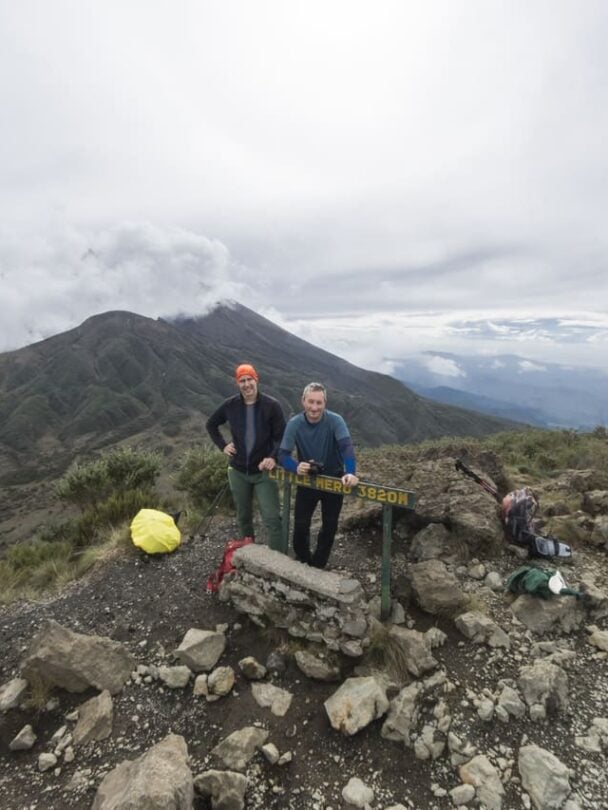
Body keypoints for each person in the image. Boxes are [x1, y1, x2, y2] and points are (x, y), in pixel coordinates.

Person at [278, 382, 359, 568]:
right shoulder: (294, 424)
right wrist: (295, 466)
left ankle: (319, 565)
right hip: (308, 480)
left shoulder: (335, 420)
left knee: (329, 526)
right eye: (311, 402)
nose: (314, 407)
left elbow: (346, 447)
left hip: (334, 480)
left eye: (319, 403)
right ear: (303, 401)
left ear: (325, 403)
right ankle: (304, 560)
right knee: (300, 526)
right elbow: (282, 454)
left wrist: (350, 472)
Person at [206, 364, 285, 550]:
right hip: (238, 471)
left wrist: (273, 457)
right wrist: (223, 446)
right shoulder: (230, 405)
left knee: (272, 517)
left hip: (263, 471)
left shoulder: (271, 406)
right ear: (237, 383)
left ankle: (279, 562)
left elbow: (282, 436)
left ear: (256, 380)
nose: (247, 384)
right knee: (243, 517)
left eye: (250, 379)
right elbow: (211, 425)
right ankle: (248, 556)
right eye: (242, 381)